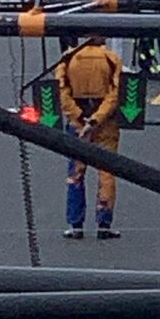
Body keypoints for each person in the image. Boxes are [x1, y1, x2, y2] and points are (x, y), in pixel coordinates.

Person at [56, 36, 123, 240]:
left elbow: (62, 93)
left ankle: (76, 224)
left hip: (77, 125)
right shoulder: (111, 59)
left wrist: (79, 118)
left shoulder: (67, 59)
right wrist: (95, 120)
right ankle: (103, 224)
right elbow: (114, 95)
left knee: (75, 174)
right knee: (106, 173)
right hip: (105, 125)